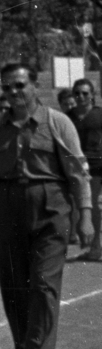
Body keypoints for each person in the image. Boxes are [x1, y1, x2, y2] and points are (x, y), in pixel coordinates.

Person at [0, 63, 95, 349]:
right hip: (8, 208)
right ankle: (26, 348)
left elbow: (78, 172)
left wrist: (86, 215)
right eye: (7, 87)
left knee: (43, 283)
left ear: (35, 85)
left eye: (20, 85)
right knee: (12, 283)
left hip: (51, 208)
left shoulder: (57, 123)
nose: (13, 92)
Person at [71, 79, 102, 261]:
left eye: (85, 93)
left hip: (98, 163)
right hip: (79, 165)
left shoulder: (99, 114)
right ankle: (94, 246)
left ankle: (96, 247)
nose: (81, 97)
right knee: (85, 205)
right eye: (77, 93)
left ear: (92, 95)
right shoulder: (68, 117)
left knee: (93, 203)